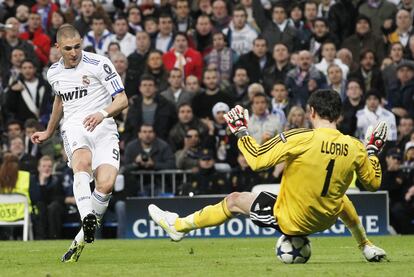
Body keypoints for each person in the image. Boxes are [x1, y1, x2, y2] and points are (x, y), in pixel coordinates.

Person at [149, 89, 388, 262]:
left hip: (292, 219)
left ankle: (178, 226)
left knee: (234, 200)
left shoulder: (300, 137)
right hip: (325, 219)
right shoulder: (355, 146)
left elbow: (256, 160)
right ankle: (365, 245)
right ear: (339, 115)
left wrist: (242, 131)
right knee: (341, 198)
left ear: (312, 111)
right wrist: (373, 151)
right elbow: (373, 183)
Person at [31, 24, 128, 262]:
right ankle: (87, 216)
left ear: (82, 42)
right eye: (68, 48)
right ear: (57, 48)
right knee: (82, 163)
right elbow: (59, 102)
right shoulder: (53, 72)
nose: (74, 52)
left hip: (104, 127)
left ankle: (80, 240)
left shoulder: (99, 63)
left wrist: (102, 114)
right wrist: (49, 130)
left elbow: (122, 99)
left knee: (105, 185)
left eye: (77, 46)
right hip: (75, 126)